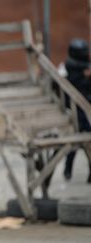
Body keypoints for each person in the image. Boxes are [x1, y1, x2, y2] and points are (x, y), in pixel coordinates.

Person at [63, 38, 91, 183]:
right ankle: (67, 170)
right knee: (76, 141)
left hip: (81, 109)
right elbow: (75, 86)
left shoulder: (81, 66)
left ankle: (69, 171)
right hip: (73, 110)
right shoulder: (71, 67)